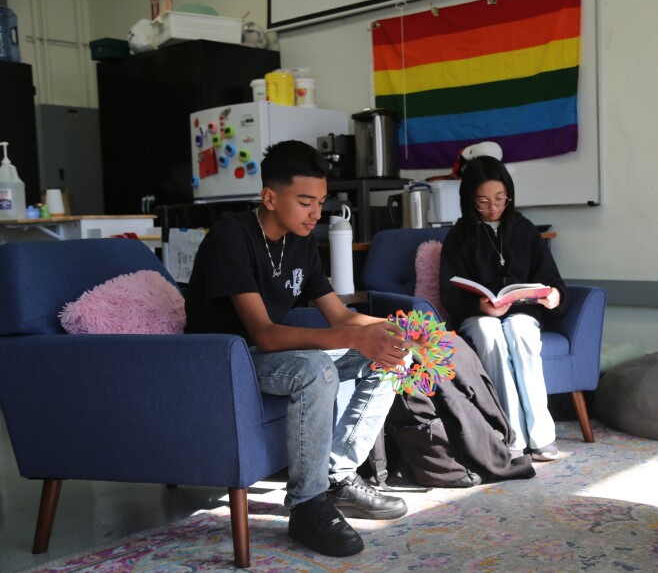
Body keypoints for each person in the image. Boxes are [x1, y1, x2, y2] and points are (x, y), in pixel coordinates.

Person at [184, 140, 410, 558]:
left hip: (270, 355)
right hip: (224, 358)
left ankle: (337, 476)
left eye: (321, 203)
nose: (316, 214)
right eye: (306, 201)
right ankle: (307, 505)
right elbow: (265, 335)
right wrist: (353, 337)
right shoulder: (230, 236)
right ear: (270, 197)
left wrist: (395, 330)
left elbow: (340, 318)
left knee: (393, 352)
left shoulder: (300, 241)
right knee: (315, 368)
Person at [439, 155, 570, 462]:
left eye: (500, 199)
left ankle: (542, 436)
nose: (493, 208)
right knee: (489, 333)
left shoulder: (524, 230)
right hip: (478, 316)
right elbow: (449, 293)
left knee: (520, 330)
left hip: (522, 312)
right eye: (483, 202)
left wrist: (554, 295)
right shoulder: (459, 236)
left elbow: (552, 279)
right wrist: (480, 306)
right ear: (469, 200)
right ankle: (510, 434)